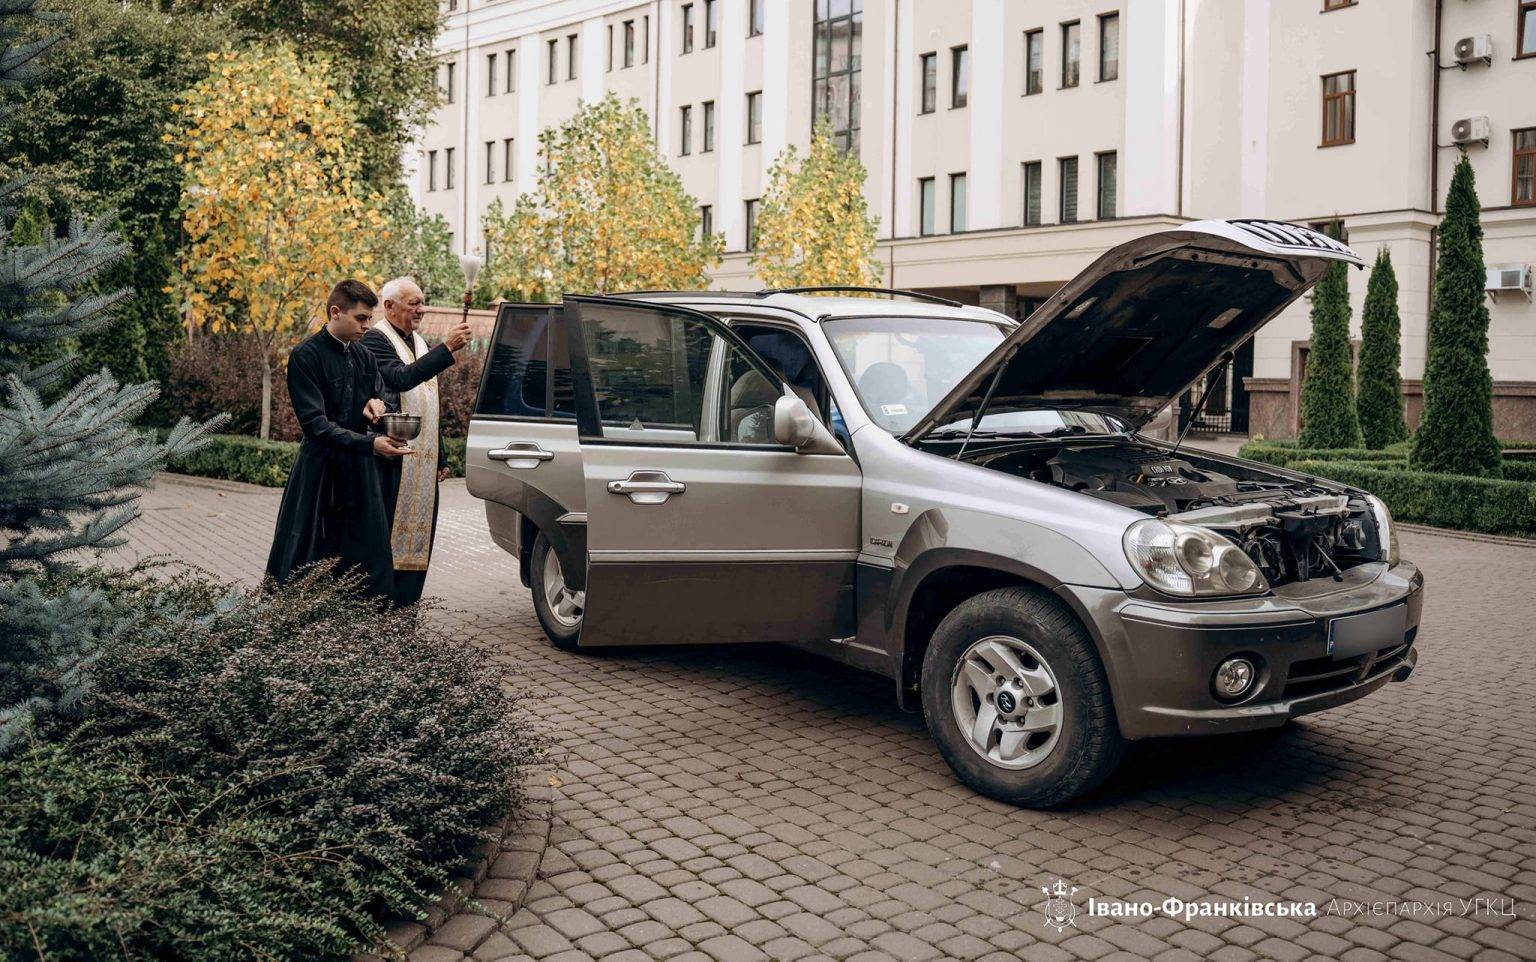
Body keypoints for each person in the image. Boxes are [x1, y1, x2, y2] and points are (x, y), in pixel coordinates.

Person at [360, 277, 473, 605]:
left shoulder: (419, 342)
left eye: (422, 302)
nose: (421, 309)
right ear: (389, 306)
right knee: (386, 540)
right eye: (414, 303)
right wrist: (447, 348)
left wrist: (440, 456)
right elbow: (401, 378)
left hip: (422, 463)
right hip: (390, 460)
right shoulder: (376, 339)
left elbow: (429, 401)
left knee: (420, 542)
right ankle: (380, 612)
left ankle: (407, 613)